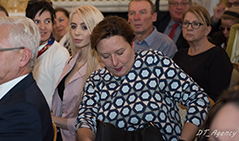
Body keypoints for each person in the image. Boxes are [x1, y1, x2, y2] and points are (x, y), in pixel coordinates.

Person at [76, 15, 210, 141]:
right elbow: (85, 119)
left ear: (132, 44)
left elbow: (198, 99)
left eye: (120, 53)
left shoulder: (154, 62)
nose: (115, 62)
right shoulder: (96, 81)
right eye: (105, 56)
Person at [51, 5, 104, 141]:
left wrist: (52, 119)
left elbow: (93, 122)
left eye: (84, 27)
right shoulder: (71, 60)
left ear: (95, 29)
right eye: (73, 26)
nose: (76, 32)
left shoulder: (101, 69)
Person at [173, 5, 233, 102]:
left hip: (205, 112)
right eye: (186, 23)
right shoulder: (179, 55)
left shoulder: (217, 55)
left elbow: (218, 98)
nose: (189, 28)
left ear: (207, 30)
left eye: (196, 24)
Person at [26, 0, 70, 108]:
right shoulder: (24, 51)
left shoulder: (60, 53)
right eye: (37, 21)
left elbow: (59, 98)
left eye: (47, 21)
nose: (42, 27)